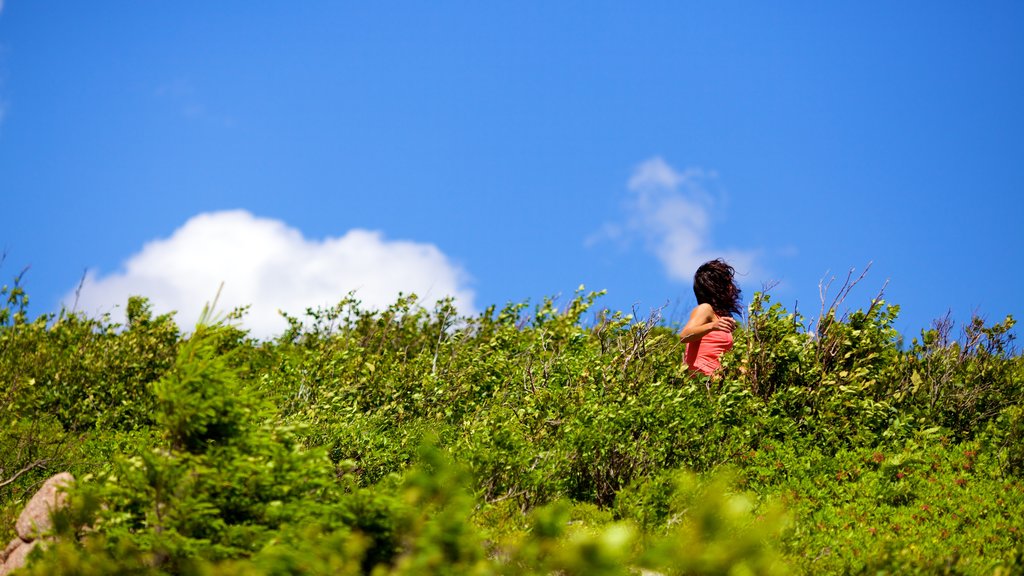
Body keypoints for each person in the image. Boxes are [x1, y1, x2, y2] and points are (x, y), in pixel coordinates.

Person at [679, 259, 742, 376]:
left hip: (716, 385)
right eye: (727, 283)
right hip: (700, 383)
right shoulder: (705, 309)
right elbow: (684, 336)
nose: (731, 287)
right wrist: (712, 326)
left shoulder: (719, 317)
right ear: (716, 287)